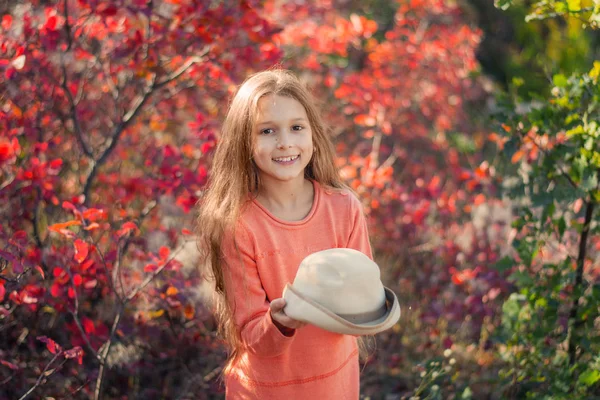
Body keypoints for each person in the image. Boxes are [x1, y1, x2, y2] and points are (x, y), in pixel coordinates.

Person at [196, 69, 373, 399]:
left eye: (296, 127)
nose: (285, 143)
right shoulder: (239, 224)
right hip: (265, 389)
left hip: (335, 383)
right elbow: (252, 334)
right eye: (267, 131)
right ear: (244, 142)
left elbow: (361, 299)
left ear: (312, 134)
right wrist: (281, 321)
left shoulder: (344, 207)